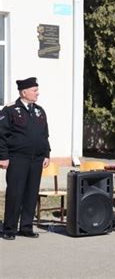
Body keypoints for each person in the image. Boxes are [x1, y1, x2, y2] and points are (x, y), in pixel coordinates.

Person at [0, 77, 50, 240]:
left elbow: (44, 135)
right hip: (17, 158)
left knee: (31, 193)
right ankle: (9, 228)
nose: (38, 93)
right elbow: (2, 135)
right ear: (24, 92)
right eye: (34, 90)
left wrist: (46, 154)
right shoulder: (10, 110)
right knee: (15, 193)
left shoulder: (39, 110)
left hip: (36, 159)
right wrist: (3, 156)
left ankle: (26, 227)